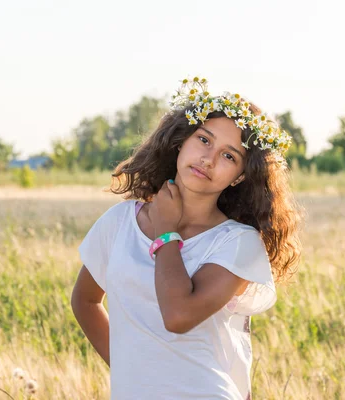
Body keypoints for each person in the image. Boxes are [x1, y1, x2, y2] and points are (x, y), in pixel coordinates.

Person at [71, 77, 303, 399]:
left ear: (240, 177)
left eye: (229, 156)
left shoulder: (238, 243)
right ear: (182, 140)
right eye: (204, 140)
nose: (208, 159)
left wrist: (167, 233)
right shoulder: (119, 223)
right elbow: (85, 300)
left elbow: (178, 316)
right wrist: (136, 374)